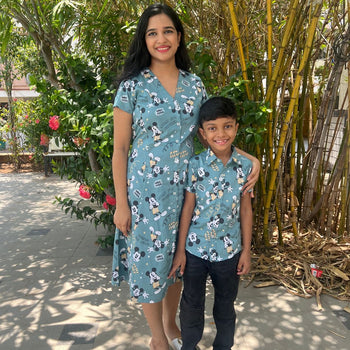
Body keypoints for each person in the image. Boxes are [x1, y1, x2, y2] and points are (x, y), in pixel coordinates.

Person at [111, 4, 259, 350]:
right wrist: (121, 203)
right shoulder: (132, 87)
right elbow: (119, 149)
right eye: (152, 33)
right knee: (151, 262)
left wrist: (252, 159)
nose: (161, 39)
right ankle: (158, 339)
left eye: (168, 31)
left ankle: (170, 322)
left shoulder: (195, 85)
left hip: (190, 190)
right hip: (145, 193)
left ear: (179, 37)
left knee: (178, 260)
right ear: (143, 40)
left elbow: (213, 133)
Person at [168, 96, 253, 350]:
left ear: (236, 127)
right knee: (191, 305)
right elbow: (188, 209)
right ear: (203, 134)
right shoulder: (195, 165)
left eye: (227, 126)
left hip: (229, 254)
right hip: (195, 251)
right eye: (213, 128)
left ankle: (223, 346)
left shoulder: (245, 167)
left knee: (226, 307)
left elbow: (247, 211)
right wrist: (181, 251)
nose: (221, 134)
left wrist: (246, 251)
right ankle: (189, 345)